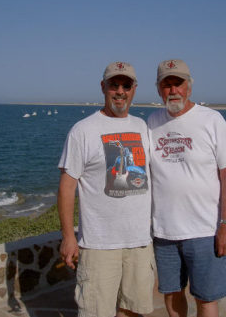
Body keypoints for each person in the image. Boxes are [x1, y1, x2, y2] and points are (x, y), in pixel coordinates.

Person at [148, 59, 226, 317]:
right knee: (171, 293)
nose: (173, 90)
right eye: (166, 85)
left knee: (206, 299)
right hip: (164, 232)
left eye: (178, 83)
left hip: (204, 230)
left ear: (189, 86)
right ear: (158, 89)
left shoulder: (211, 120)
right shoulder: (151, 123)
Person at [57, 61, 154, 317]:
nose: (120, 91)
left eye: (126, 85)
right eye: (114, 85)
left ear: (134, 89)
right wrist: (68, 237)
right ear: (103, 87)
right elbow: (67, 187)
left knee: (133, 311)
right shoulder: (83, 131)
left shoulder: (142, 127)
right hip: (99, 245)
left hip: (139, 242)